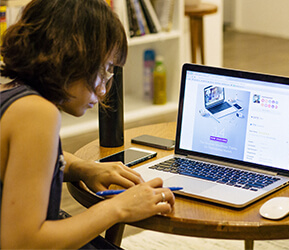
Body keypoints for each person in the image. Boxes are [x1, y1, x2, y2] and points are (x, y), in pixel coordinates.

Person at [0, 0, 175, 249]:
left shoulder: (11, 92)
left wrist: (83, 168)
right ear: (71, 58)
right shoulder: (38, 113)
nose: (103, 90)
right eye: (102, 71)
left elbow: (25, 162)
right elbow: (22, 242)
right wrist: (119, 208)